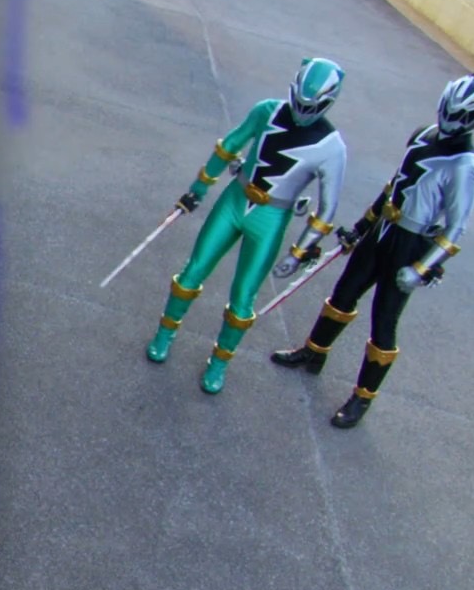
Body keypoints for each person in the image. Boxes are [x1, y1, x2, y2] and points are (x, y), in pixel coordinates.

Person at [269, 72, 474, 428]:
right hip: (382, 231)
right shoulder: (423, 134)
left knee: (384, 320)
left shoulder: (466, 165)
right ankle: (313, 352)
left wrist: (421, 268)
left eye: (461, 114)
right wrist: (362, 227)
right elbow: (393, 187)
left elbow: (456, 228)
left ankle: (362, 397)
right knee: (343, 294)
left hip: (411, 244)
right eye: (450, 109)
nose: (451, 118)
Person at [146, 58, 347, 394]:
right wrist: (198, 189)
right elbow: (229, 145)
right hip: (236, 199)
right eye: (298, 101)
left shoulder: (332, 148)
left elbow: (328, 209)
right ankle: (164, 333)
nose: (301, 111)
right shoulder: (267, 110)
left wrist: (299, 251)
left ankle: (219, 363)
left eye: (310, 106)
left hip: (271, 218)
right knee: (193, 271)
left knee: (243, 299)